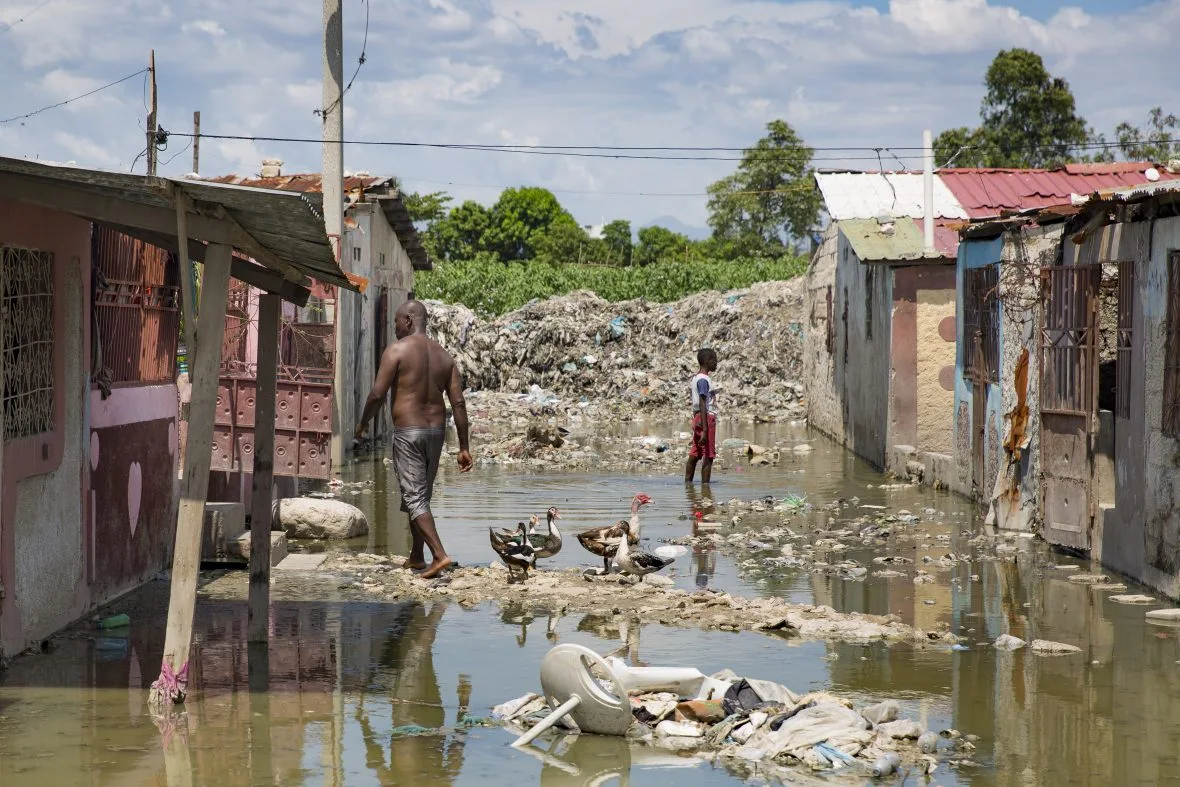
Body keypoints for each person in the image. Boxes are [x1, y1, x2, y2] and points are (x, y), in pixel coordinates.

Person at [355, 300, 472, 579]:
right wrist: (464, 447)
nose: (395, 328)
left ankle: (439, 556)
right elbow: (458, 403)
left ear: (408, 320)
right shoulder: (445, 356)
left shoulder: (397, 350)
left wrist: (362, 424)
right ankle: (417, 556)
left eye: (396, 322)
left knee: (415, 496)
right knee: (420, 495)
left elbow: (376, 395)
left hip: (409, 433)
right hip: (436, 433)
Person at [685, 348, 718, 484]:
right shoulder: (703, 380)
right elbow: (703, 403)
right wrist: (705, 430)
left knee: (695, 453)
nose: (716, 364)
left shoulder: (697, 378)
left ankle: (688, 485)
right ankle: (706, 490)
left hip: (698, 417)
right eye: (714, 361)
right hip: (706, 419)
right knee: (708, 456)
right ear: (707, 361)